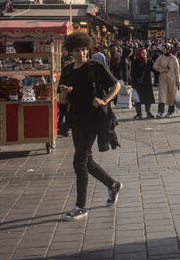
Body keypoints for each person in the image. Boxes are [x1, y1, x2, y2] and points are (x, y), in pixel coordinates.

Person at [58, 31, 122, 221]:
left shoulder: (95, 67)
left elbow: (117, 85)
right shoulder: (67, 71)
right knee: (88, 162)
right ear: (71, 52)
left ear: (88, 50)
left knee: (79, 162)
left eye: (84, 50)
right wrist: (64, 92)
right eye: (77, 50)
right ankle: (113, 185)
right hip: (76, 120)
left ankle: (80, 206)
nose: (81, 54)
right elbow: (62, 100)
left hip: (93, 120)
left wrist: (104, 100)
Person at [152, 44, 180, 118]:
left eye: (164, 49)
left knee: (171, 95)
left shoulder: (174, 58)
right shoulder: (160, 57)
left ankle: (170, 111)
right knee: (162, 95)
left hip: (172, 79)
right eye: (163, 49)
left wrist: (178, 80)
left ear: (168, 49)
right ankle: (160, 111)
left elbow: (177, 70)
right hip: (163, 78)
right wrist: (162, 70)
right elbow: (154, 65)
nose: (163, 50)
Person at [131, 48, 155, 119]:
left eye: (145, 52)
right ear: (139, 53)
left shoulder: (149, 61)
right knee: (138, 99)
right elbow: (133, 74)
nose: (145, 54)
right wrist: (133, 84)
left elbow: (154, 69)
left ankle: (148, 112)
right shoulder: (135, 62)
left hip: (147, 83)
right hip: (138, 84)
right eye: (143, 53)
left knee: (148, 99)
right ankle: (139, 114)